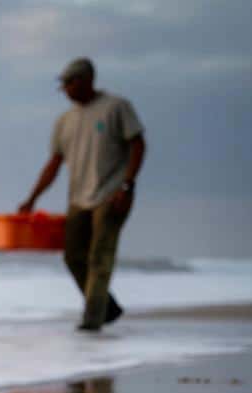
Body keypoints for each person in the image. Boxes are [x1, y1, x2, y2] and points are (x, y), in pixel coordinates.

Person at [18, 57, 146, 332]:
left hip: (111, 194)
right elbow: (53, 163)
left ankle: (92, 320)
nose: (65, 89)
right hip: (78, 198)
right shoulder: (65, 121)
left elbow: (137, 144)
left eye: (69, 83)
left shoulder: (116, 107)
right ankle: (106, 307)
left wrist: (127, 185)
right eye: (63, 85)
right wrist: (32, 198)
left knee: (100, 255)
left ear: (87, 80)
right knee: (73, 256)